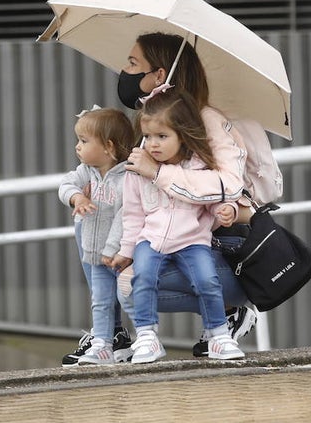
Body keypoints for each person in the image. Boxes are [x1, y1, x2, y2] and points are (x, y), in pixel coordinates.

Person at [116, 31, 259, 353]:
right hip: (161, 237)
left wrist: (159, 173)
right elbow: (135, 204)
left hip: (216, 243)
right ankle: (118, 337)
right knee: (123, 275)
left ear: (159, 76)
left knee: (132, 284)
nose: (125, 71)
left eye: (133, 63)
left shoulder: (207, 120)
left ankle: (228, 312)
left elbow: (230, 184)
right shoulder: (150, 127)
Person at [111, 90, 245, 363]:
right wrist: (126, 250)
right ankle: (146, 336)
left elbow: (210, 200)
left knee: (207, 281)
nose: (153, 144)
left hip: (193, 241)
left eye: (162, 136)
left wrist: (227, 209)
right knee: (143, 279)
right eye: (148, 136)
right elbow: (133, 215)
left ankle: (219, 336)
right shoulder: (136, 171)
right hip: (151, 240)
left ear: (182, 135)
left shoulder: (198, 168)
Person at [57, 107, 135, 365]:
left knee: (129, 296)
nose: (77, 147)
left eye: (84, 141)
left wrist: (112, 248)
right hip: (93, 252)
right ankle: (103, 343)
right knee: (100, 299)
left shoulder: (127, 178)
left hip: (118, 253)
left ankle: (144, 337)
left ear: (108, 147)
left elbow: (127, 215)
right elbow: (65, 185)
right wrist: (77, 197)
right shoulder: (85, 172)